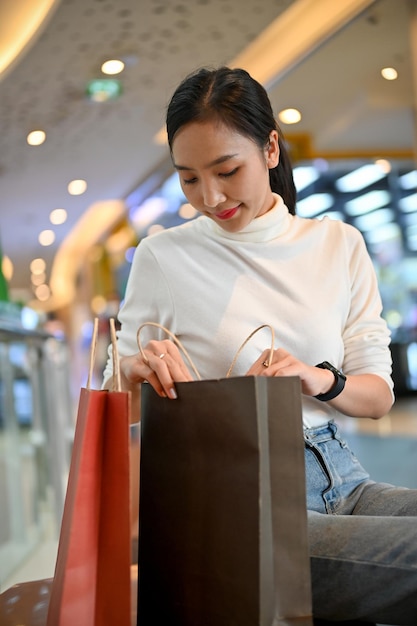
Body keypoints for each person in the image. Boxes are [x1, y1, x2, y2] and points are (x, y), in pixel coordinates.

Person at [103, 66, 417, 624]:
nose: (211, 196)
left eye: (227, 170)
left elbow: (378, 396)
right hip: (233, 499)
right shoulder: (163, 256)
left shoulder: (338, 244)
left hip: (341, 474)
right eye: (189, 179)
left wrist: (322, 379)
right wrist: (130, 369)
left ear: (271, 148)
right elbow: (117, 406)